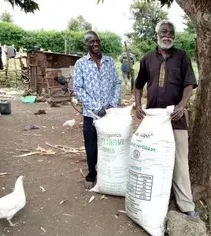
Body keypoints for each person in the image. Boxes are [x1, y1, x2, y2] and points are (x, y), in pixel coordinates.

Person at [134, 20, 198, 216]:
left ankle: (186, 206)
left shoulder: (181, 57)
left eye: (171, 32)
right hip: (153, 120)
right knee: (151, 158)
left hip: (175, 117)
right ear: (157, 34)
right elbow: (138, 85)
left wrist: (182, 105)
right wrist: (137, 105)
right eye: (163, 31)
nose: (167, 35)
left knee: (180, 161)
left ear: (174, 36)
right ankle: (153, 199)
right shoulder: (147, 59)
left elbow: (189, 84)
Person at [73, 31, 122, 189]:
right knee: (91, 145)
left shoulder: (109, 61)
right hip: (91, 114)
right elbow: (78, 89)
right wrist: (96, 107)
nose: (95, 44)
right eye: (90, 42)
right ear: (86, 44)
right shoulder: (81, 64)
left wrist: (113, 105)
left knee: (109, 144)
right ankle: (91, 174)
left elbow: (117, 83)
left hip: (109, 114)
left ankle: (107, 172)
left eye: (97, 41)